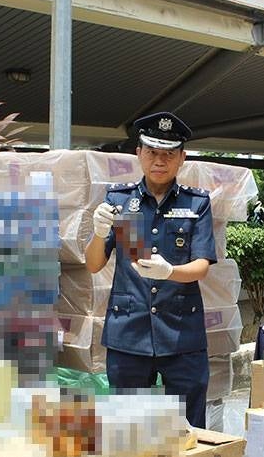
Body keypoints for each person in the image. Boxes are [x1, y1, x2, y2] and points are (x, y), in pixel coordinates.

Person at [84, 111, 217, 428]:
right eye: (153, 152)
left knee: (189, 428)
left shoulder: (196, 203)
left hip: (181, 333)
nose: (160, 161)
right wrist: (100, 232)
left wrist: (169, 271)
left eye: (169, 154)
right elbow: (94, 264)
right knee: (130, 430)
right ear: (138, 154)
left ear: (182, 158)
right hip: (129, 333)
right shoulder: (119, 200)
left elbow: (201, 266)